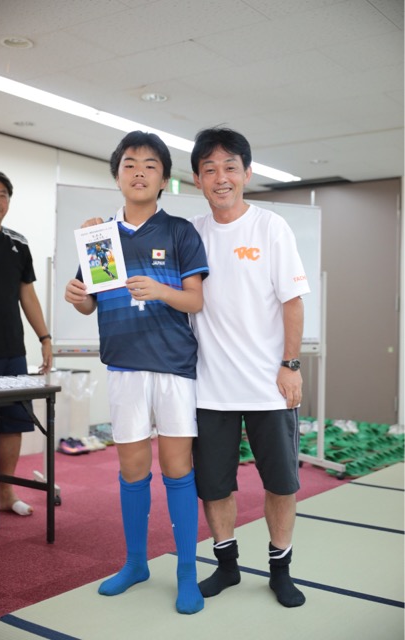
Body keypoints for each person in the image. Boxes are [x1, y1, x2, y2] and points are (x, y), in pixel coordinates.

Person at [64, 131, 208, 615]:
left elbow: (195, 300)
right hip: (124, 365)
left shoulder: (180, 232)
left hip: (173, 366)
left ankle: (186, 571)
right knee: (131, 470)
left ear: (164, 179)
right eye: (129, 164)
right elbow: (90, 303)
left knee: (178, 469)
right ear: (117, 175)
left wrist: (160, 290)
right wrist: (78, 298)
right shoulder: (98, 236)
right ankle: (135, 563)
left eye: (150, 165)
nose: (139, 172)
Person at [189, 127, 310, 608]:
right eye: (210, 169)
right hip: (209, 387)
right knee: (214, 485)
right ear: (197, 179)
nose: (221, 177)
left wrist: (290, 365)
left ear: (247, 173)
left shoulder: (270, 227)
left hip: (268, 386)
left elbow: (293, 302)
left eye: (230, 167)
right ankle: (227, 566)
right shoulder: (191, 233)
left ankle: (280, 570)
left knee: (281, 483)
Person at [0, 170, 53, 516]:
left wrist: (45, 338)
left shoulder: (18, 243)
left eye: (3, 195)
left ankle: (5, 494)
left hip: (11, 351)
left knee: (12, 425)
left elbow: (27, 294)